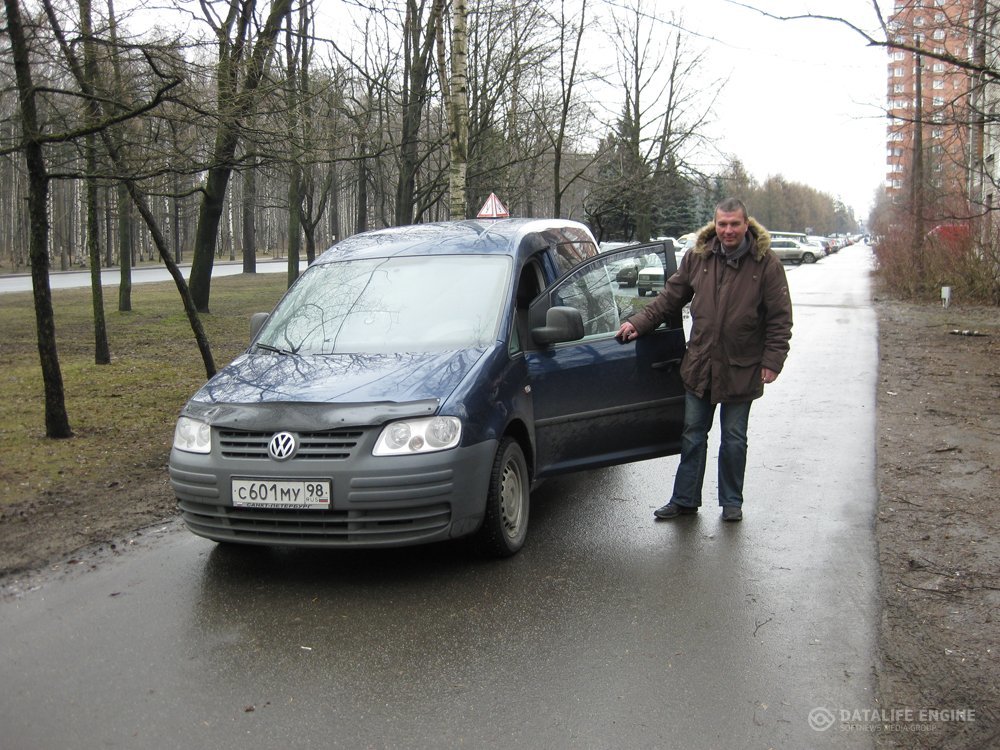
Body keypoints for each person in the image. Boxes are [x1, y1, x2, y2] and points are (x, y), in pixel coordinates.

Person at [616, 198, 792, 522]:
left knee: (734, 439)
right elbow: (670, 298)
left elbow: (780, 319)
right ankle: (684, 499)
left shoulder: (765, 264)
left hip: (741, 366)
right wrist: (639, 323)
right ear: (715, 224)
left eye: (734, 224)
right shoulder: (698, 256)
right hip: (700, 363)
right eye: (722, 224)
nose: (728, 230)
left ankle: (731, 502)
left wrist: (773, 360)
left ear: (746, 224)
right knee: (692, 434)